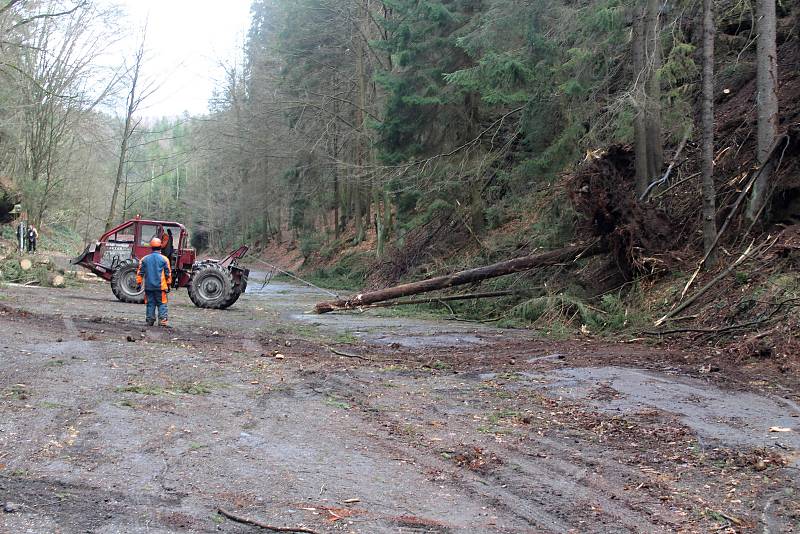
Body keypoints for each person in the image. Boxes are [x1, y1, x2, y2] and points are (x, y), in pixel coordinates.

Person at [136, 237, 172, 327]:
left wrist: (139, 284)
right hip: (161, 287)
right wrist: (168, 284)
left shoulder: (144, 259)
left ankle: (150, 321)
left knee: (150, 303)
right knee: (162, 303)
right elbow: (168, 273)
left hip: (148, 287)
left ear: (151, 247)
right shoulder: (164, 259)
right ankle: (163, 321)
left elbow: (140, 272)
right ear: (160, 247)